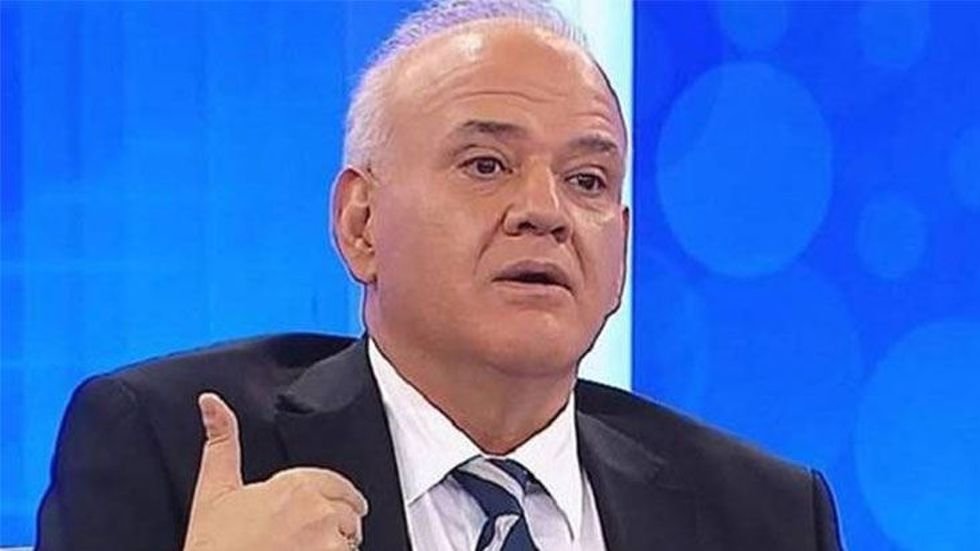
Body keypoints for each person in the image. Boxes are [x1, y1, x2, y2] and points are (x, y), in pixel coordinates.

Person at [36, 1, 843, 550]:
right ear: (360, 224)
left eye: (588, 180)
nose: (546, 212)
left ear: (622, 252)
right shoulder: (169, 450)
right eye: (486, 164)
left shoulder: (766, 517)